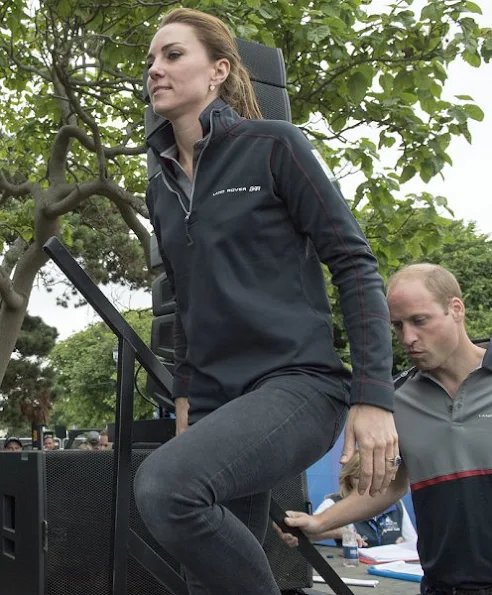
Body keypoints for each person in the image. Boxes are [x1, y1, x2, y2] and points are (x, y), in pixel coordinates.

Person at [134, 8, 398, 595]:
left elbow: (354, 263)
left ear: (218, 71)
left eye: (173, 55)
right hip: (214, 400)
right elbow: (183, 302)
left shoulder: (275, 146)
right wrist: (185, 398)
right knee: (207, 576)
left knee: (165, 488)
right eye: (150, 60)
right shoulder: (158, 186)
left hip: (299, 385)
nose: (155, 69)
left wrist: (373, 397)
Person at [280, 263, 492, 594]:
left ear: (456, 309)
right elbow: (390, 486)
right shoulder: (394, 401)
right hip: (445, 586)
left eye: (419, 321)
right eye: (398, 326)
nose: (408, 338)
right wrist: (321, 522)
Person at [313, 451, 417, 547]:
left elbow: (414, 542)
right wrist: (340, 533)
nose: (366, 483)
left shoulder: (396, 504)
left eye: (372, 476)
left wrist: (404, 546)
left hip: (391, 566)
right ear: (348, 479)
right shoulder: (333, 503)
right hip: (353, 565)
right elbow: (308, 532)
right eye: (358, 477)